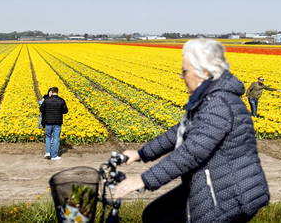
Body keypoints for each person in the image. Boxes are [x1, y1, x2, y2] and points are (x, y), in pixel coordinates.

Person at [114, 39, 270, 223]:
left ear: (203, 72)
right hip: (213, 180)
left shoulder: (219, 104)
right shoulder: (208, 98)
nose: (182, 77)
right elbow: (179, 132)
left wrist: (142, 180)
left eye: (185, 71)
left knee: (165, 217)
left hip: (232, 192)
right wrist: (140, 154)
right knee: (154, 214)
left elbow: (193, 151)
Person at [40, 87, 68, 161]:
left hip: (48, 122)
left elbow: (41, 109)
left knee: (48, 137)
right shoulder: (61, 100)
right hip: (57, 122)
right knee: (56, 138)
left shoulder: (46, 100)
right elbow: (65, 111)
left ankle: (48, 152)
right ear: (57, 92)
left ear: (52, 92)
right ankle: (54, 156)